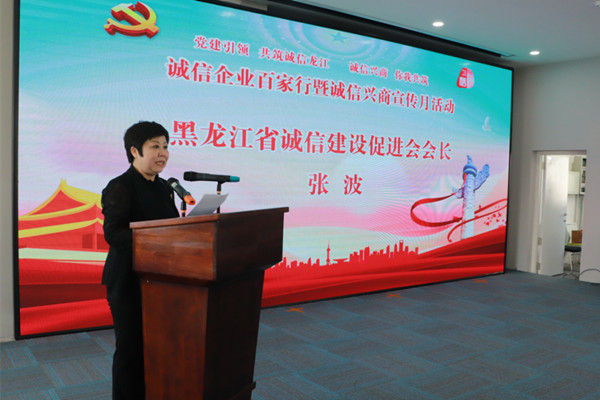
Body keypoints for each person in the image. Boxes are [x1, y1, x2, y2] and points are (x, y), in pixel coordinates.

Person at [101, 121, 180, 399]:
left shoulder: (165, 188)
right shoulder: (120, 186)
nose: (163, 153)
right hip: (128, 281)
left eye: (166, 146)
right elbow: (113, 234)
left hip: (160, 278)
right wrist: (155, 237)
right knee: (130, 350)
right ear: (135, 151)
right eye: (155, 146)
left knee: (157, 347)